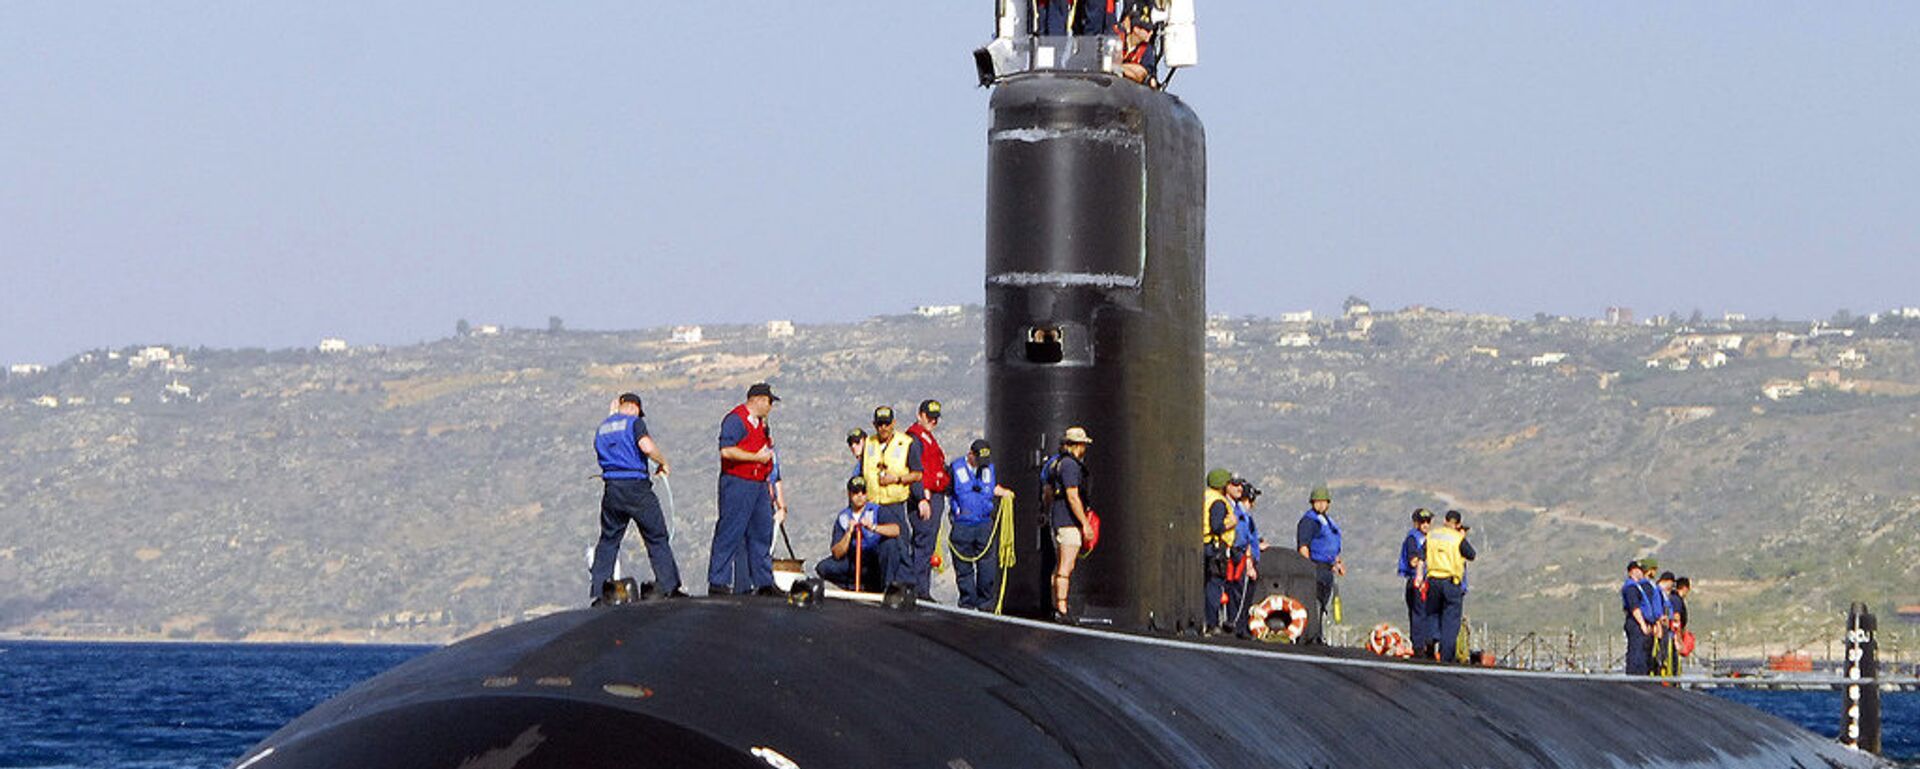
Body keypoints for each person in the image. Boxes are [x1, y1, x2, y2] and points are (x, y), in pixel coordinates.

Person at [590, 393, 683, 602]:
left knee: (609, 540)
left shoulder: (603, 427)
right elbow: (647, 447)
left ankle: (598, 592)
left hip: (612, 489)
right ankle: (669, 586)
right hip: (636, 487)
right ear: (635, 408)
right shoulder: (635, 423)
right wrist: (662, 461)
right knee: (656, 536)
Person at [710, 382, 780, 596]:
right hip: (738, 482)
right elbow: (727, 451)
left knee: (761, 531)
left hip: (758, 483)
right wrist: (755, 457)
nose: (770, 407)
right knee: (731, 530)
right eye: (768, 402)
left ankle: (763, 581)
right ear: (758, 400)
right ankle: (718, 580)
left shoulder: (761, 424)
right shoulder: (736, 419)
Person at [947, 439, 1012, 610]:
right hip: (963, 524)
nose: (981, 465)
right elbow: (948, 491)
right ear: (970, 454)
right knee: (964, 568)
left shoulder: (988, 468)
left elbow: (989, 488)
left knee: (987, 567)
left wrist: (1003, 493)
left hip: (984, 524)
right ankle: (968, 603)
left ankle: (986, 604)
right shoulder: (955, 468)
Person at [861, 406, 917, 589]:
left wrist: (897, 479)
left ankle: (906, 586)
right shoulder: (869, 443)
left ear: (893, 423)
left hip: (894, 504)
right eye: (879, 424)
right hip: (873, 504)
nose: (883, 428)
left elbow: (917, 474)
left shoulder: (906, 443)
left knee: (899, 547)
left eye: (886, 424)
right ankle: (879, 585)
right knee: (874, 547)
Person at [1043, 426, 1094, 621]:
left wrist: (1046, 513)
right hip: (1068, 521)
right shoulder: (1071, 466)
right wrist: (1085, 524)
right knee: (1066, 566)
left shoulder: (1055, 464)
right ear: (1078, 446)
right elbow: (1073, 496)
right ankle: (1062, 609)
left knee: (1058, 566)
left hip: (1057, 519)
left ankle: (1056, 605)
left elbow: (1047, 492)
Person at [816, 477, 900, 590]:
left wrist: (873, 527)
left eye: (863, 492)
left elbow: (896, 530)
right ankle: (857, 586)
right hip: (854, 560)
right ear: (849, 494)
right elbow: (837, 552)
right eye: (856, 492)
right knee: (824, 567)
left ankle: (886, 588)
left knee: (890, 544)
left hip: (874, 559)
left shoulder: (877, 510)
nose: (860, 495)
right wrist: (848, 533)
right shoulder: (843, 517)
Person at [904, 400, 950, 601]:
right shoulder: (914, 439)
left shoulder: (927, 438)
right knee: (923, 543)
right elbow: (915, 471)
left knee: (928, 544)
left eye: (936, 418)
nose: (933, 421)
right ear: (920, 415)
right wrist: (921, 497)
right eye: (929, 417)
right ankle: (917, 590)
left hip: (935, 497)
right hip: (925, 498)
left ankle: (923, 589)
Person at [1294, 484, 1345, 644]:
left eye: (1324, 501)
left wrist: (1337, 563)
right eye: (1318, 501)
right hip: (1315, 566)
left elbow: (1331, 546)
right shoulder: (1309, 521)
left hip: (1327, 568)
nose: (1321, 505)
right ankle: (1310, 635)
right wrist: (1307, 567)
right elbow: (1304, 546)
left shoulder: (1327, 522)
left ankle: (1318, 634)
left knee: (1322, 603)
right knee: (1313, 601)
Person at [1423, 510, 1476, 662]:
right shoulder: (1457, 538)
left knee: (1432, 613)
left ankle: (1431, 637)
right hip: (1451, 582)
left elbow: (1422, 553)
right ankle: (1446, 656)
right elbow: (1471, 554)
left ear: (1445, 520)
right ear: (1458, 524)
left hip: (1433, 579)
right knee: (1451, 620)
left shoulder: (1432, 535)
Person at [1201, 468, 1238, 634]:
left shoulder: (1204, 496)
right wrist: (1229, 524)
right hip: (1214, 548)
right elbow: (1216, 526)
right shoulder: (1218, 502)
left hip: (1204, 544)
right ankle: (1212, 623)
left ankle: (1206, 621)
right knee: (1214, 586)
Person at [1227, 478, 1262, 636]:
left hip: (1246, 557)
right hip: (1243, 559)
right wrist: (1249, 562)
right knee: (1240, 595)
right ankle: (1237, 626)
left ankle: (1238, 625)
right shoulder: (1240, 515)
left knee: (1240, 594)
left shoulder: (1245, 516)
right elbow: (1242, 539)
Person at [1398, 509, 1434, 656]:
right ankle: (1419, 647)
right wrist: (1423, 558)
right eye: (1422, 522)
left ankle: (1429, 644)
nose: (1426, 525)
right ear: (1416, 523)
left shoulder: (1432, 538)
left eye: (1428, 522)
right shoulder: (1413, 539)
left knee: (1429, 614)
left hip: (1429, 581)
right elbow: (1413, 561)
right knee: (1418, 614)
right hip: (1416, 582)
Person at [1620, 561, 1655, 675]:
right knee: (1636, 653)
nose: (1641, 572)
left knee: (1642, 653)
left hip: (1641, 622)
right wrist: (1643, 625)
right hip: (1636, 623)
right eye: (1638, 570)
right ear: (1632, 572)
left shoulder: (1637, 586)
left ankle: (1641, 675)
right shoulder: (1630, 587)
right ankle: (1634, 678)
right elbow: (1635, 608)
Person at [1654, 571, 1681, 676]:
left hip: (1668, 631)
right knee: (1662, 656)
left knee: (1666, 657)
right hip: (1663, 630)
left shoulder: (1665, 595)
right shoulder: (1658, 593)